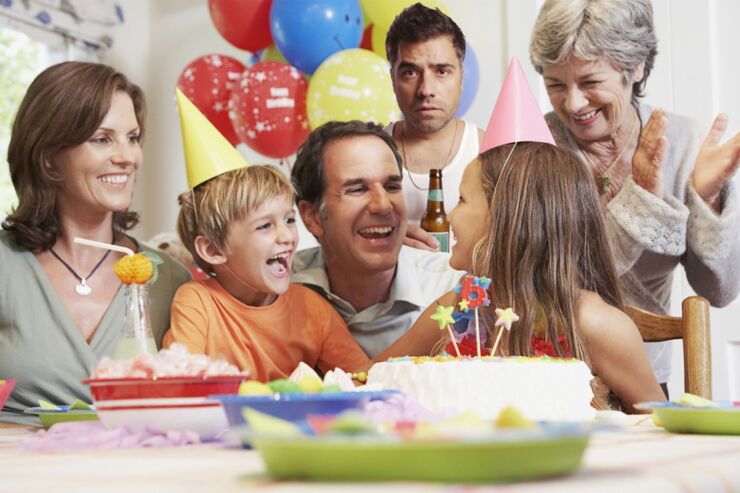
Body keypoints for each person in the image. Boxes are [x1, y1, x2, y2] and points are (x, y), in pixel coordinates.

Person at [529, 0, 740, 393]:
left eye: (590, 82)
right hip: (549, 370)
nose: (573, 104)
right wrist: (640, 196)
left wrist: (707, 199)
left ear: (637, 67)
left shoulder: (684, 142)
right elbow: (557, 275)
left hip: (642, 373)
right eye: (556, 84)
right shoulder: (536, 144)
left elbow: (720, 291)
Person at [379, 143, 667, 413]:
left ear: (503, 218)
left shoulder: (594, 322)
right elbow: (369, 378)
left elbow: (659, 428)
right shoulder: (459, 309)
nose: (450, 217)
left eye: (462, 200)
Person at [0, 62, 190, 422]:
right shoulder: (6, 265)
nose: (127, 157)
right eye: (102, 139)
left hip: (138, 472)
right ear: (49, 159)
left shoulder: (172, 280)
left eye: (132, 138)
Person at [162, 136, 369, 380]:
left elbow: (364, 382)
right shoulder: (197, 303)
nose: (287, 237)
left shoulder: (313, 309)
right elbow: (179, 381)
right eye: (264, 226)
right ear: (213, 250)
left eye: (289, 220)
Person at [291, 120, 463, 358]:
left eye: (392, 186)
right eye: (357, 189)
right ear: (313, 218)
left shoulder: (457, 296)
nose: (383, 205)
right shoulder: (274, 291)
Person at [384, 3, 485, 250]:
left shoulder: (490, 152)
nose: (426, 90)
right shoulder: (371, 153)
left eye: (441, 71)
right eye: (410, 72)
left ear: (461, 75)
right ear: (393, 79)